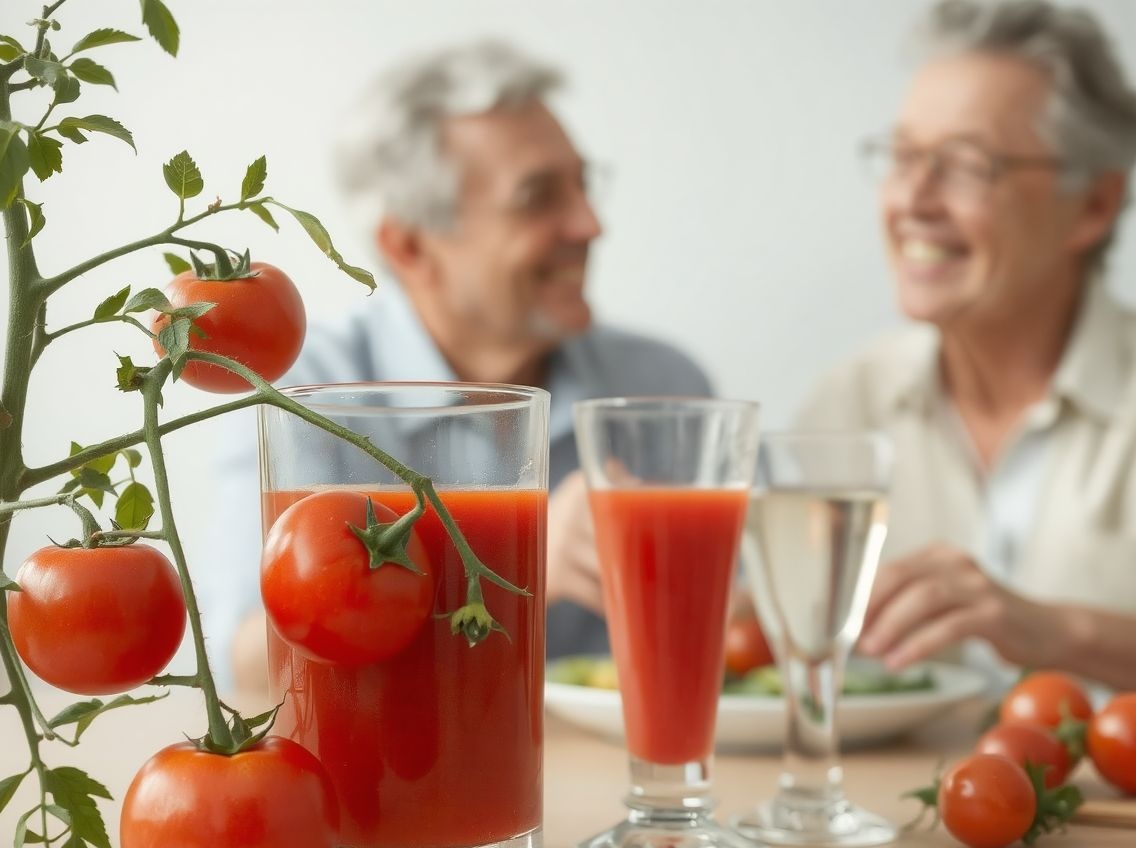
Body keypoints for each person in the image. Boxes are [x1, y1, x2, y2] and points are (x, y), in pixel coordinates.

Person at [200, 40, 712, 693]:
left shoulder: (664, 388)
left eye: (583, 185)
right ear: (409, 245)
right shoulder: (303, 394)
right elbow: (243, 658)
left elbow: (745, 623)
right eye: (537, 197)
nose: (590, 225)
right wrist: (523, 561)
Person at [797, 0, 1136, 690]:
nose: (913, 198)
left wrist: (1054, 632)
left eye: (965, 164)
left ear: (1095, 205)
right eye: (903, 157)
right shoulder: (848, 403)